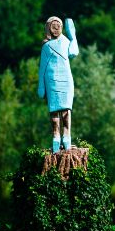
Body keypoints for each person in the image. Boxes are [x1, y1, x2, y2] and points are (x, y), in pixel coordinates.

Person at [38, 16, 79, 152]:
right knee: (54, 110)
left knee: (66, 109)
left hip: (66, 79)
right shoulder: (46, 47)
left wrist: (73, 36)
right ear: (48, 27)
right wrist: (41, 86)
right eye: (53, 25)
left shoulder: (66, 42)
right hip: (51, 80)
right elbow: (42, 68)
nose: (56, 28)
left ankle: (66, 135)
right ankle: (56, 136)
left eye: (58, 25)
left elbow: (74, 52)